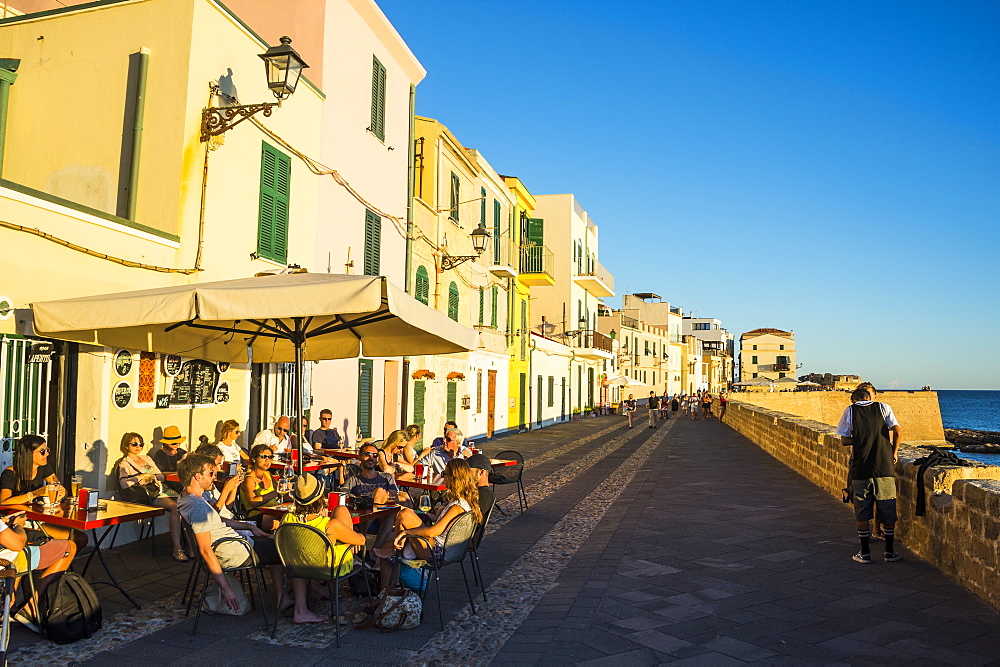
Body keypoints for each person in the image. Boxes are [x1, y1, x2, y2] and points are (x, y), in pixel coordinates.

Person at [176, 454, 283, 613]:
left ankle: (285, 598)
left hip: (238, 544)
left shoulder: (186, 497)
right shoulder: (197, 506)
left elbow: (217, 520)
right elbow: (205, 550)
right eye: (211, 473)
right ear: (197, 476)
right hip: (236, 551)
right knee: (288, 549)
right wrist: (226, 589)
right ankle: (296, 604)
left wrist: (249, 526)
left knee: (278, 541)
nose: (214, 476)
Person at [376, 459, 483, 585]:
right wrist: (424, 515)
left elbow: (433, 531)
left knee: (403, 516)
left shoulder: (457, 506)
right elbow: (443, 524)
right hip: (446, 550)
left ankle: (395, 552)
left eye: (444, 474)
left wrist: (405, 532)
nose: (442, 477)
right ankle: (396, 549)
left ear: (454, 477)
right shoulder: (464, 502)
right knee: (403, 514)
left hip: (436, 553)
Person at [279, 473, 366, 624]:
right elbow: (362, 540)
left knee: (298, 555)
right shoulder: (329, 524)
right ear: (320, 498)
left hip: (297, 567)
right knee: (344, 518)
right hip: (328, 569)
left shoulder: (287, 518)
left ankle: (301, 610)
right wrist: (351, 537)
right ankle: (353, 560)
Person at [836, 385, 902, 564]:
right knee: (887, 507)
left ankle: (864, 553)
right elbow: (897, 431)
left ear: (854, 399)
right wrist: (894, 452)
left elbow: (843, 441)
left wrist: (860, 438)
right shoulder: (883, 407)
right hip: (884, 465)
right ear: (870, 398)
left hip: (861, 467)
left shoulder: (850, 411)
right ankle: (889, 552)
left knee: (862, 510)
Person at [0, 435, 87, 553]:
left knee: (79, 538)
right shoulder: (10, 474)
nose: (47, 454)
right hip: (19, 522)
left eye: (47, 450)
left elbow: (56, 484)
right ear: (29, 453)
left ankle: (56, 565)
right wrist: (34, 494)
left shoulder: (43, 467)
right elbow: (3, 502)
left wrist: (62, 492)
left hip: (39, 518)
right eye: (42, 451)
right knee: (76, 539)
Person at [1, 509, 76, 632]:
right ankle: (31, 607)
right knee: (70, 547)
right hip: (6, 561)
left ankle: (11, 604)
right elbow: (18, 544)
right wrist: (17, 525)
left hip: (5, 560)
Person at [117, 432, 187, 562]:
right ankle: (177, 549)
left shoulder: (147, 458)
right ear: (126, 446)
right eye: (134, 444)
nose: (138, 447)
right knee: (176, 509)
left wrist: (152, 477)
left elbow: (160, 475)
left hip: (161, 488)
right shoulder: (125, 463)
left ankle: (191, 545)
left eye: (141, 444)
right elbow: (123, 483)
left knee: (187, 504)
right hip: (149, 494)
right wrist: (141, 477)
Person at [241, 444, 281, 529]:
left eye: (270, 457)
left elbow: (281, 492)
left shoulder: (268, 474)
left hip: (274, 512)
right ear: (254, 459)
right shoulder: (250, 479)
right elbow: (253, 502)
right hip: (258, 515)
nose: (267, 460)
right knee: (285, 522)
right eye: (263, 457)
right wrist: (275, 493)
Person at [152, 425, 187, 493]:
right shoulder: (160, 454)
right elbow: (159, 473)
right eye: (174, 443)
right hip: (167, 483)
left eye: (179, 442)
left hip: (182, 483)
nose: (177, 445)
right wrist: (176, 473)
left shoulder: (181, 452)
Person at [465, 453, 495, 519]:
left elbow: (475, 520)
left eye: (469, 472)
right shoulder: (476, 490)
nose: (467, 475)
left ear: (481, 472)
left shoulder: (485, 493)